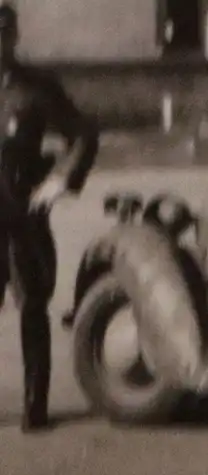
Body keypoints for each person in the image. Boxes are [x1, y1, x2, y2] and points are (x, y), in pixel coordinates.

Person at [0, 3, 99, 432]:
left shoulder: (36, 89)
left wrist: (60, 180)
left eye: (3, 33)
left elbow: (83, 136)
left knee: (31, 309)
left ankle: (34, 408)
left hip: (22, 213)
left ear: (13, 36)